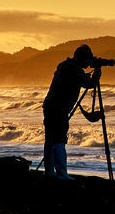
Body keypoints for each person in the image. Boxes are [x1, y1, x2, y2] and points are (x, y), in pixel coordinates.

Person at [41, 43, 100, 180]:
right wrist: (96, 75)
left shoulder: (66, 66)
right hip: (58, 108)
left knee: (50, 140)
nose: (88, 62)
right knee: (60, 139)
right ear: (82, 58)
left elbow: (84, 82)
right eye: (88, 59)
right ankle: (62, 174)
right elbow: (89, 84)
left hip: (50, 106)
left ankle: (50, 172)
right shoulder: (74, 69)